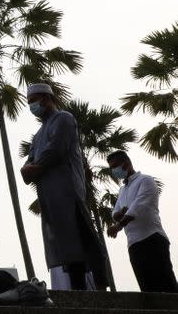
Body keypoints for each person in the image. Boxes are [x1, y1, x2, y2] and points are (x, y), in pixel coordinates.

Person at [20, 83, 108, 291]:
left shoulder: (64, 119)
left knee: (86, 240)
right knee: (68, 248)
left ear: (47, 98)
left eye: (34, 100)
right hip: (51, 198)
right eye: (29, 102)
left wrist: (34, 168)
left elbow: (56, 149)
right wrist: (27, 170)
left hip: (69, 192)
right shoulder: (38, 135)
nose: (32, 106)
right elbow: (28, 165)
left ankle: (102, 287)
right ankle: (78, 290)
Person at [106, 150, 178, 293]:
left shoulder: (145, 180)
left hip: (153, 239)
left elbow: (138, 207)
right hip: (134, 244)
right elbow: (115, 213)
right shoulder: (122, 190)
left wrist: (119, 225)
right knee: (148, 291)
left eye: (115, 166)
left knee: (167, 286)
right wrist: (120, 214)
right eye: (111, 168)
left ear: (126, 163)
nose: (114, 171)